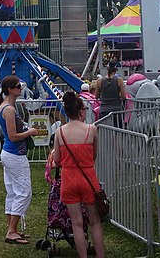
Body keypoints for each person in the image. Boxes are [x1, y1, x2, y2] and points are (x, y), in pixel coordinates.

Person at [53, 90, 106, 258]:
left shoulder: (59, 133)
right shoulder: (92, 130)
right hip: (88, 178)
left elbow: (57, 160)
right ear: (82, 111)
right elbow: (94, 155)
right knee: (95, 222)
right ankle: (100, 255)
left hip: (69, 179)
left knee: (77, 223)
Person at [0, 74, 38, 244]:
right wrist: (30, 132)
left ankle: (11, 229)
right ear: (10, 90)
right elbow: (13, 136)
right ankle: (12, 230)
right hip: (15, 154)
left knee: (12, 192)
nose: (21, 89)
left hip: (10, 153)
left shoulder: (6, 106)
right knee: (24, 192)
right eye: (18, 87)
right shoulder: (9, 110)